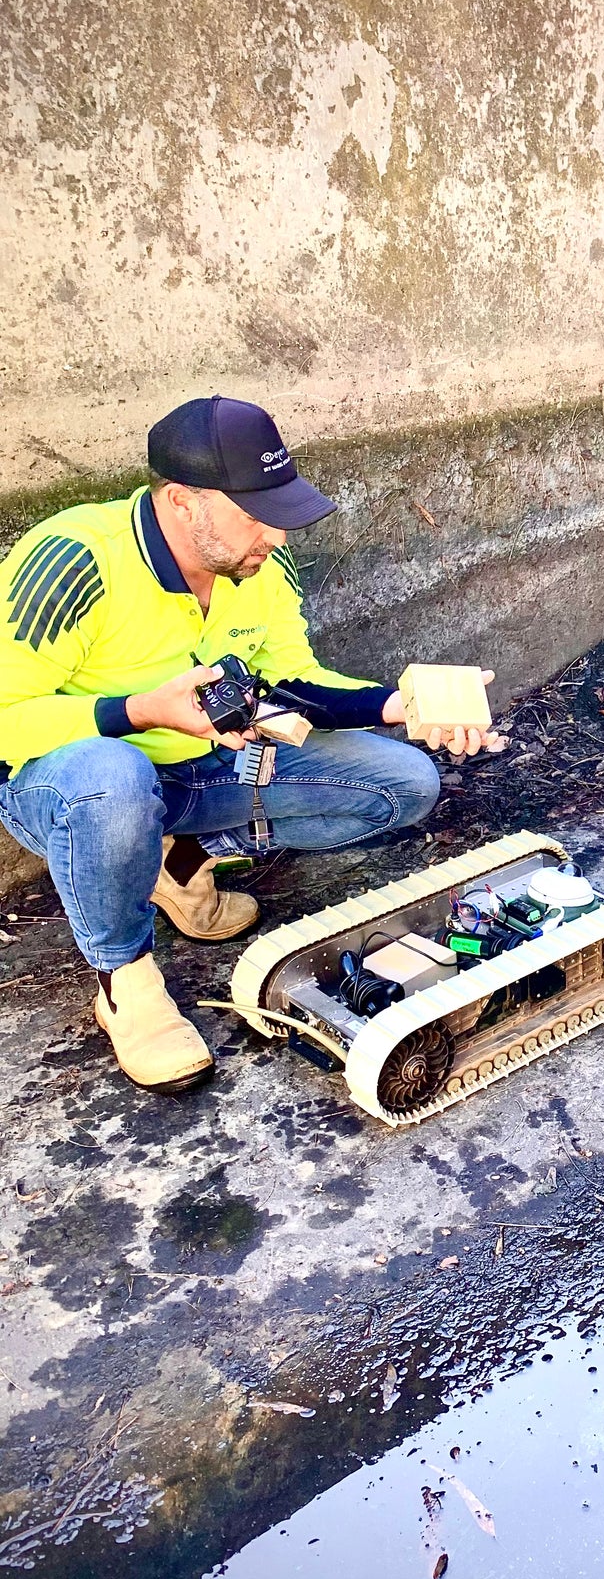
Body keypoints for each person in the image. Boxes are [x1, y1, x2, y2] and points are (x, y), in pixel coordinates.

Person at [0, 396, 501, 1092]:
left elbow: (291, 681)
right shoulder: (75, 560)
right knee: (111, 775)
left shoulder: (257, 565)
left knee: (405, 781)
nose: (279, 537)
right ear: (182, 502)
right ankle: (125, 979)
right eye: (255, 514)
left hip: (201, 772)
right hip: (68, 786)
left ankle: (180, 858)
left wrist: (399, 705)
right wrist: (140, 711)